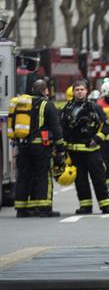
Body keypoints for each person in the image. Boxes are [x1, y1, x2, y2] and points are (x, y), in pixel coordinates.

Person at [13, 79, 64, 217]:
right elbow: (55, 127)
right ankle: (44, 207)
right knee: (43, 175)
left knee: (24, 175)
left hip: (23, 145)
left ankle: (22, 208)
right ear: (45, 90)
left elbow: (13, 124)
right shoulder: (47, 105)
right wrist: (60, 148)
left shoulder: (22, 104)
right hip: (40, 146)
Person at [60, 80, 109, 214]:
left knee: (99, 178)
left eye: (82, 89)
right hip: (75, 151)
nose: (79, 92)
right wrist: (64, 149)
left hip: (92, 150)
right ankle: (85, 206)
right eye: (77, 90)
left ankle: (105, 205)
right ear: (73, 92)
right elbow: (63, 129)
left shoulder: (95, 108)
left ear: (86, 91)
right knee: (81, 181)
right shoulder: (67, 109)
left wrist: (97, 139)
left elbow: (105, 125)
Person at [96, 80, 109, 185]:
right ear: (105, 92)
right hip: (104, 137)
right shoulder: (99, 105)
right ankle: (106, 180)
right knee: (104, 161)